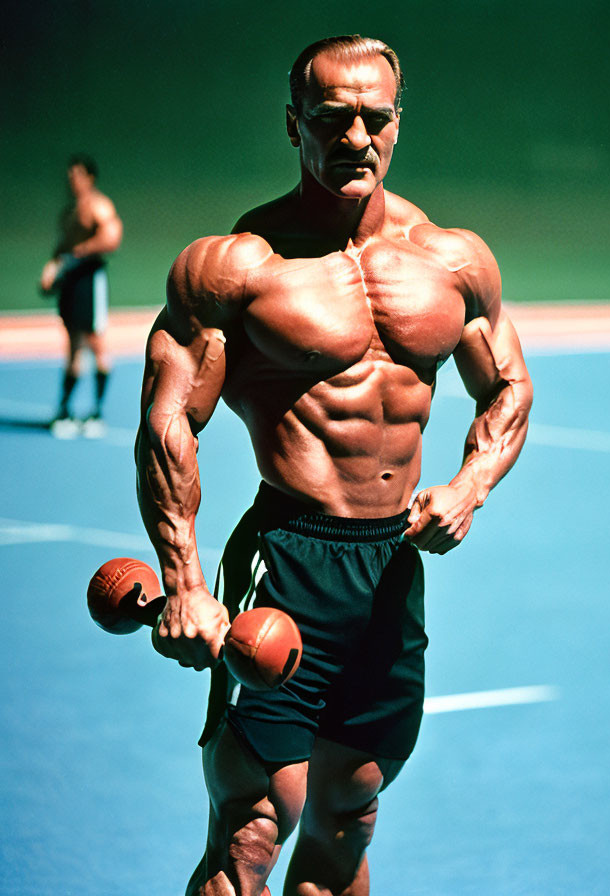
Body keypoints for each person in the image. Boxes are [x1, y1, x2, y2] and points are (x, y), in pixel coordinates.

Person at [135, 35, 533, 896]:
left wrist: (469, 487)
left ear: (397, 121)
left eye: (374, 117)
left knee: (347, 821)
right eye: (330, 118)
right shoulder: (237, 267)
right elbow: (168, 425)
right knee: (249, 834)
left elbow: (507, 386)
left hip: (392, 570)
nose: (355, 136)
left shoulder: (453, 259)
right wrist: (188, 583)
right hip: (287, 561)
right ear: (293, 126)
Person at [39, 154, 123, 438]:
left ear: (89, 178)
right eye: (69, 176)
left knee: (96, 342)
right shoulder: (70, 212)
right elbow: (61, 249)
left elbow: (112, 237)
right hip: (72, 283)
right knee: (73, 345)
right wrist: (51, 271)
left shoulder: (99, 206)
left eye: (76, 175)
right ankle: (64, 411)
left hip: (89, 280)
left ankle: (97, 414)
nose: (71, 181)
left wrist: (75, 256)